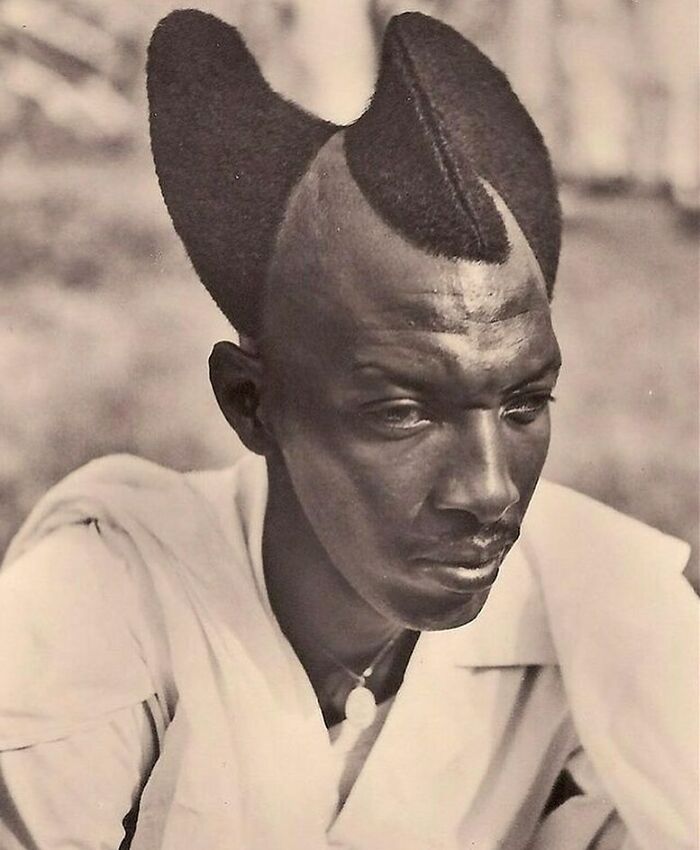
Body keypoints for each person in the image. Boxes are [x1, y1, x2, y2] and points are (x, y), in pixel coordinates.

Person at [0, 10, 696, 850]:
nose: (488, 489)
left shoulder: (603, 607)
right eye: (402, 412)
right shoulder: (106, 594)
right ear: (252, 404)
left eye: (523, 404)